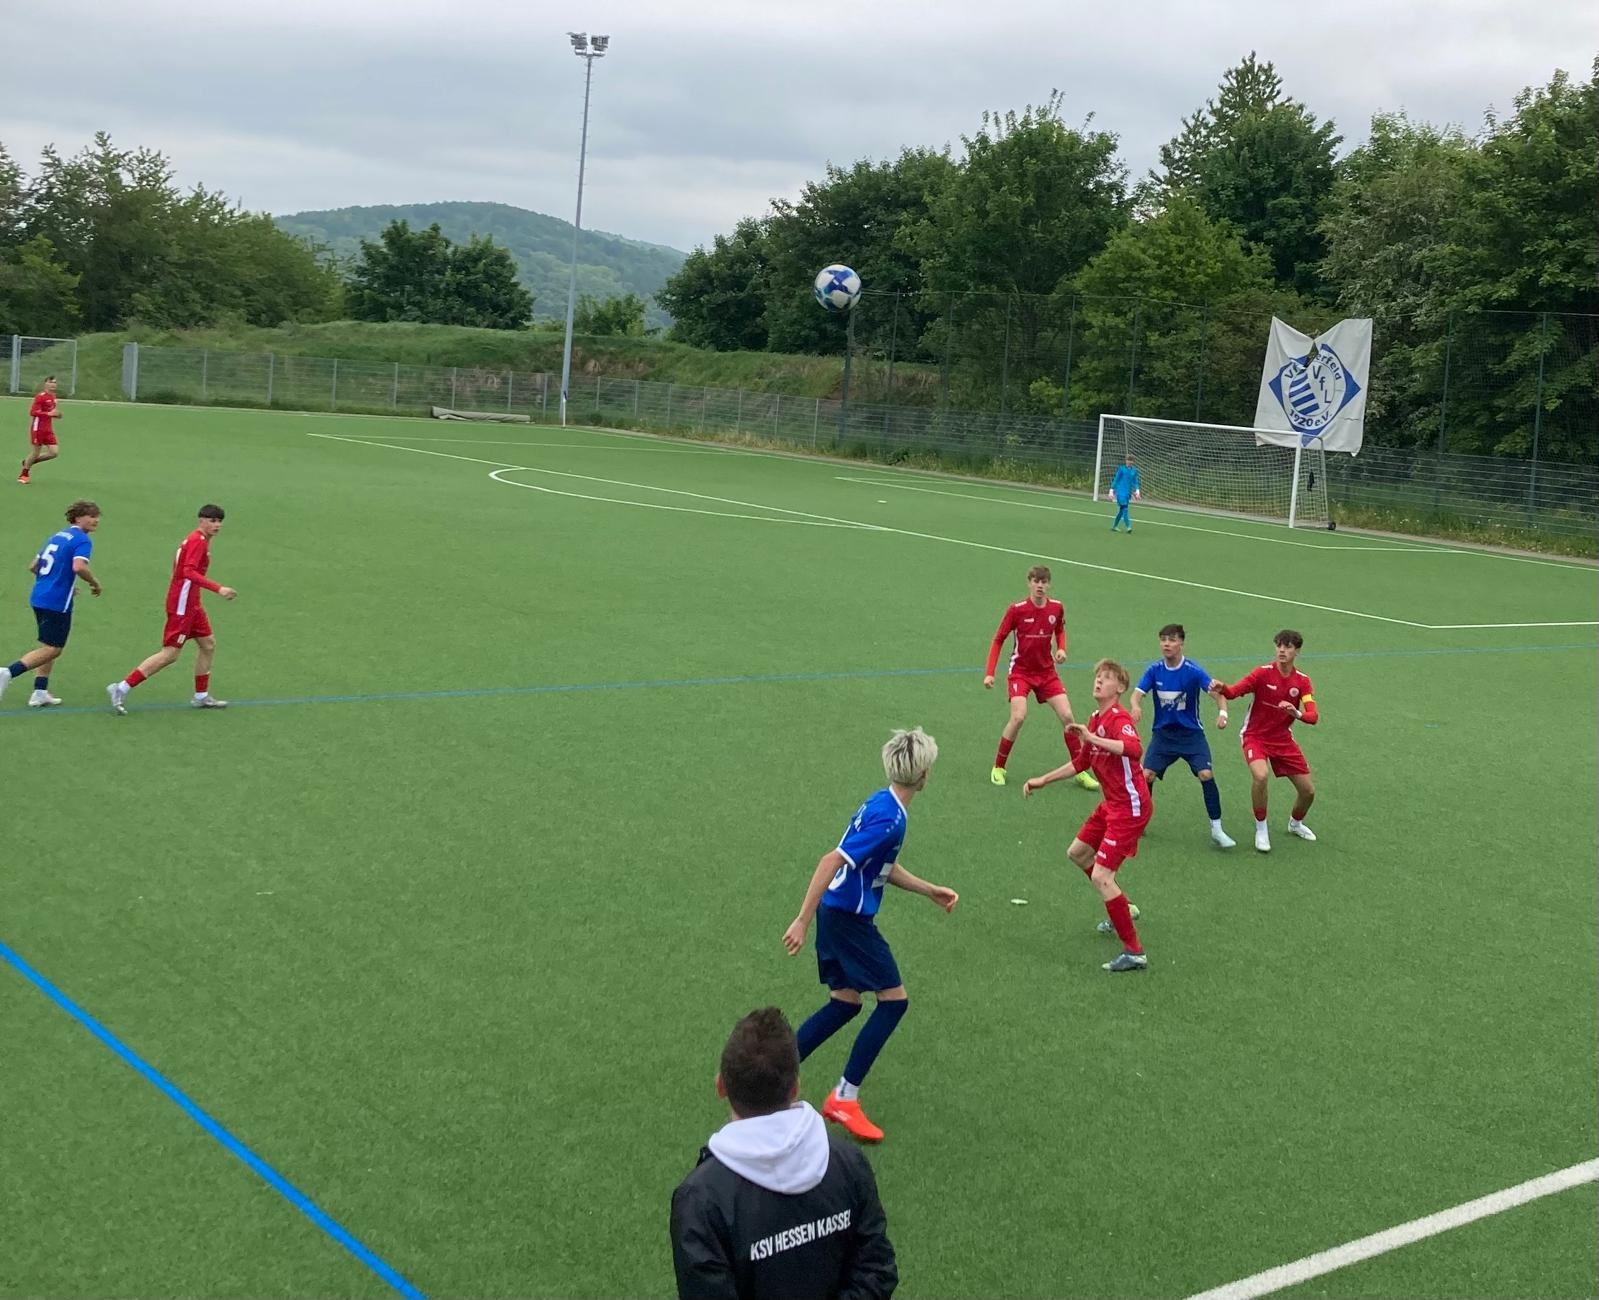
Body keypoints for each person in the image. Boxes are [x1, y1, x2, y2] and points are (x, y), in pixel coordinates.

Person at [781, 727, 958, 1143]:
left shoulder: (883, 802)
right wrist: (801, 920)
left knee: (844, 1004)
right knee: (894, 1002)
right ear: (924, 774)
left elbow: (879, 866)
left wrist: (928, 889)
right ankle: (844, 1097)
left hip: (835, 913)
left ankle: (771, 1077)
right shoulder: (889, 819)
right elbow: (830, 860)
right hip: (848, 920)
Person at [670, 1007, 898, 1300]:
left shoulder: (700, 1198)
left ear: (721, 1086)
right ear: (795, 1088)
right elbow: (877, 1273)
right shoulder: (848, 1163)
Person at [1022, 659, 1151, 972]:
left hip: (1130, 808)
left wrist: (1091, 738)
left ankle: (1134, 951)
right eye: (1098, 676)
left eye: (1107, 678)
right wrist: (1043, 779)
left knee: (1101, 877)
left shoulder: (1119, 718)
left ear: (1120, 688)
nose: (1099, 681)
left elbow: (1135, 750)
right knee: (1078, 853)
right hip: (1112, 805)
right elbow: (1082, 762)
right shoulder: (1095, 718)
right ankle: (1123, 908)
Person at [107, 504, 237, 714]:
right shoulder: (198, 541)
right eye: (212, 521)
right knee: (170, 654)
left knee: (208, 644)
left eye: (219, 521)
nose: (217, 525)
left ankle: (201, 696)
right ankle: (121, 688)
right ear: (201, 520)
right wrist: (218, 588)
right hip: (182, 605)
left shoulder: (198, 540)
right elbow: (188, 572)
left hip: (192, 603)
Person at [983, 565, 1099, 791]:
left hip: (1046, 673)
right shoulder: (1016, 610)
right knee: (1018, 717)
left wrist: (1062, 648)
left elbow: (1060, 630)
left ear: (1049, 585)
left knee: (1067, 716)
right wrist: (990, 673)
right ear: (1029, 583)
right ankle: (999, 767)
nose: (1040, 586)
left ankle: (1080, 770)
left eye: (1044, 582)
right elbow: (998, 639)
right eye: (1036, 581)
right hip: (1021, 673)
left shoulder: (1057, 608)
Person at [1208, 629, 1319, 853]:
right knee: (1260, 775)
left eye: (1288, 646)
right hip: (1255, 736)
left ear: (1297, 651)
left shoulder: (1303, 682)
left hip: (1282, 739)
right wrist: (1223, 688)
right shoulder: (1262, 673)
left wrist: (1296, 713)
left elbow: (1312, 716)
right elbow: (1234, 692)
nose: (1282, 650)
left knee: (1308, 792)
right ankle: (1261, 829)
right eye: (1279, 645)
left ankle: (1295, 823)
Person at [1129, 623, 1236, 849]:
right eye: (1163, 640)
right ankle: (1139, 823)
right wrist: (1136, 706)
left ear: (1181, 643)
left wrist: (1223, 713)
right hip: (1163, 736)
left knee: (1206, 774)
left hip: (1191, 735)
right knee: (1146, 775)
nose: (1166, 644)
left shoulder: (1193, 671)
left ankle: (1217, 829)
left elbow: (1217, 694)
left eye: (1171, 640)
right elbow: (1136, 694)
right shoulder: (1154, 670)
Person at [0, 500, 103, 708]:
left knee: (47, 644)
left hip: (39, 596)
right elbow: (79, 567)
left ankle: (40, 691)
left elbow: (34, 566)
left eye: (97, 516)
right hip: (56, 602)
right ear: (78, 518)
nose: (96, 520)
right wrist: (94, 583)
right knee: (54, 649)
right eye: (91, 516)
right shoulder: (82, 540)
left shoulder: (58, 535)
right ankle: (8, 672)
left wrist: (60, 583)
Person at [19, 376, 62, 484]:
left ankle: (28, 462)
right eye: (51, 382)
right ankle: (24, 475)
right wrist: (48, 414)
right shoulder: (40, 397)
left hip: (48, 429)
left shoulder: (53, 397)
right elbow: (33, 412)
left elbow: (52, 412)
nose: (53, 384)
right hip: (38, 428)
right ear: (45, 384)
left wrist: (57, 415)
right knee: (35, 453)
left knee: (54, 452)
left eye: (55, 382)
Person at [1110, 457, 1141, 532]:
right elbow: (1116, 479)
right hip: (1120, 492)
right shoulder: (1121, 469)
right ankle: (1128, 527)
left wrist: (1137, 490)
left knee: (1121, 511)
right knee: (1125, 509)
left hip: (1128, 493)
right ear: (1126, 461)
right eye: (1128, 460)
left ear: (1133, 462)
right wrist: (1112, 489)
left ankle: (1114, 526)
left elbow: (1135, 481)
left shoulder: (1134, 471)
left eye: (1131, 460)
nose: (1129, 462)